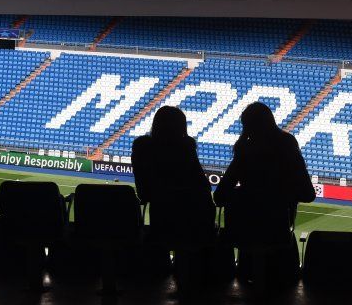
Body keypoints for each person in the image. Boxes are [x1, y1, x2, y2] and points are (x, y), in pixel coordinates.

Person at [214, 102, 315, 248]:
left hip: (245, 238)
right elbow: (308, 194)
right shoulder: (286, 144)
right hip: (278, 238)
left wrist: (243, 195)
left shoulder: (244, 150)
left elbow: (220, 196)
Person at [131, 106, 215, 243]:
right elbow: (204, 186)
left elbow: (143, 193)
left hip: (161, 223)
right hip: (194, 227)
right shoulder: (187, 147)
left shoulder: (142, 147)